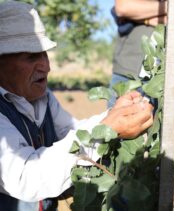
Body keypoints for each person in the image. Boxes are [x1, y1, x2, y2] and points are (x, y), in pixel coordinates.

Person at [0, 1, 154, 211]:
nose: (46, 66)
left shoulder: (42, 98)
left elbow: (71, 131)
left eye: (44, 54)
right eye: (31, 57)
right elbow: (25, 177)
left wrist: (116, 115)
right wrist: (108, 128)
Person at [108, 0, 174, 107]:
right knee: (116, 120)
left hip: (167, 74)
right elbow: (123, 8)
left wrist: (143, 18)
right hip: (126, 69)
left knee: (161, 121)